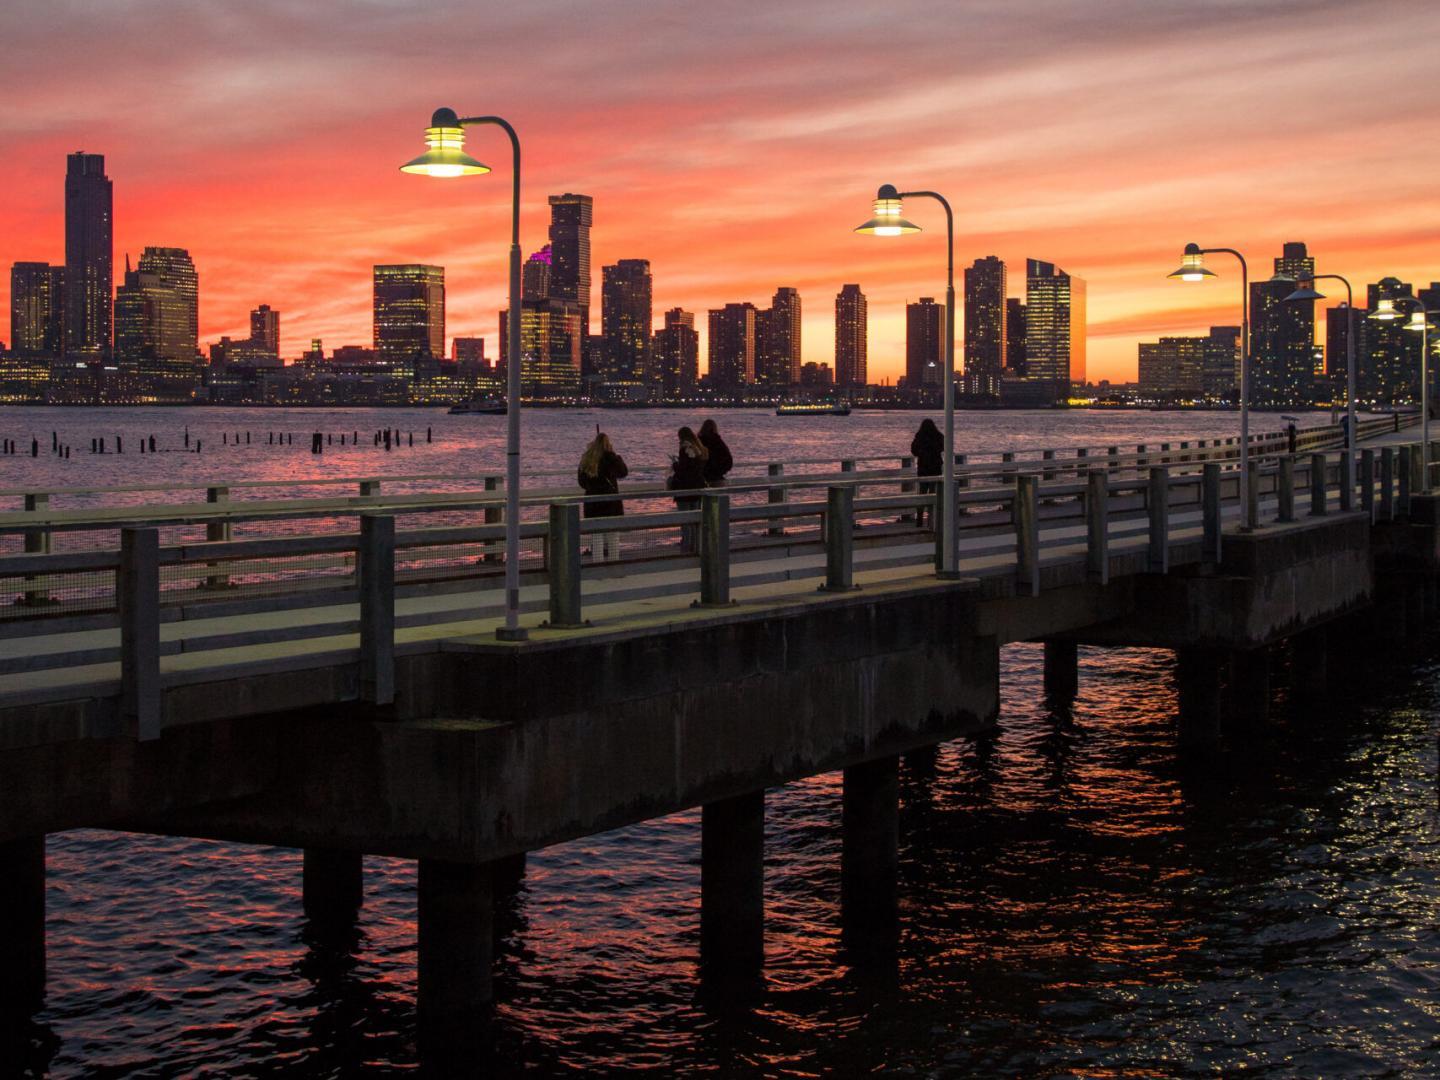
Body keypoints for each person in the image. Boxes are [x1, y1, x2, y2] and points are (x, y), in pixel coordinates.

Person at [577, 431, 629, 562]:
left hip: (593, 503)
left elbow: (581, 481)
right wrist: (617, 457)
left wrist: (592, 488)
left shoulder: (587, 458)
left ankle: (598, 565)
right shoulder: (611, 458)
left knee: (597, 536)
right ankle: (613, 563)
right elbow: (623, 472)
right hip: (610, 503)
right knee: (613, 536)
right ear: (607, 444)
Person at [670, 426, 709, 552]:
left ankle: (687, 548)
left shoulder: (685, 449)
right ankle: (697, 547)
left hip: (685, 489)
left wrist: (675, 465)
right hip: (697, 488)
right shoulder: (699, 450)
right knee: (696, 521)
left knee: (686, 521)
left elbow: (683, 470)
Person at [911, 418, 944, 528]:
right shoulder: (938, 436)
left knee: (922, 493)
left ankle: (919, 518)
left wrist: (922, 453)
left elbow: (914, 450)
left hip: (923, 468)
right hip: (935, 468)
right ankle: (932, 519)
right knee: (934, 493)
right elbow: (943, 447)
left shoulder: (920, 436)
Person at [698, 418, 733, 487]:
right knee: (717, 494)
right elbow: (727, 458)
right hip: (716, 474)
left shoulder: (699, 441)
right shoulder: (717, 441)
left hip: (704, 474)